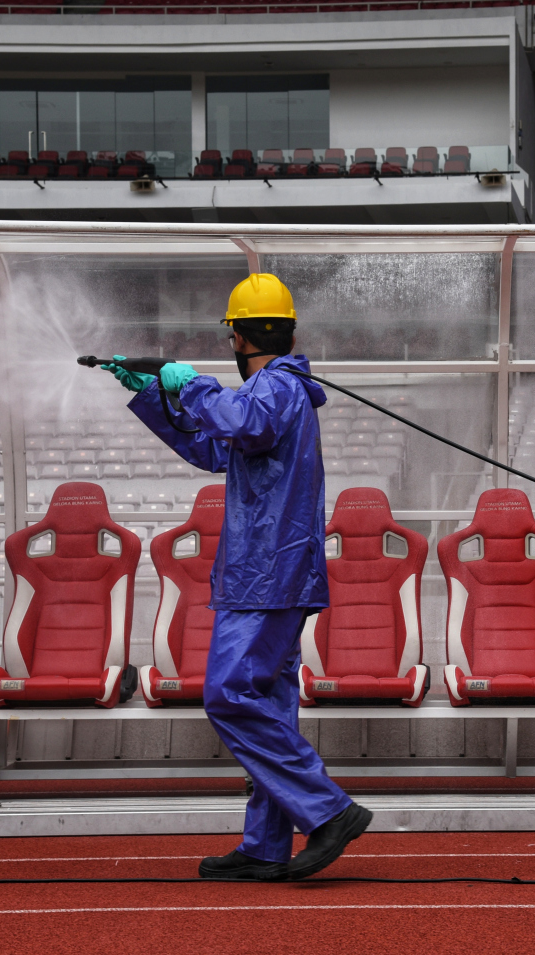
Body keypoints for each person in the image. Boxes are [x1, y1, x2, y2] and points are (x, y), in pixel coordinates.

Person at [103, 273, 372, 881]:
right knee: (268, 708)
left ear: (240, 336)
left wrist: (188, 381)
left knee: (227, 694)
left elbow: (242, 423)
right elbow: (212, 449)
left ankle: (328, 811)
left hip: (268, 574)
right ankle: (266, 844)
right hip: (264, 572)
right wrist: (156, 396)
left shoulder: (276, 388)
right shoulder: (273, 394)